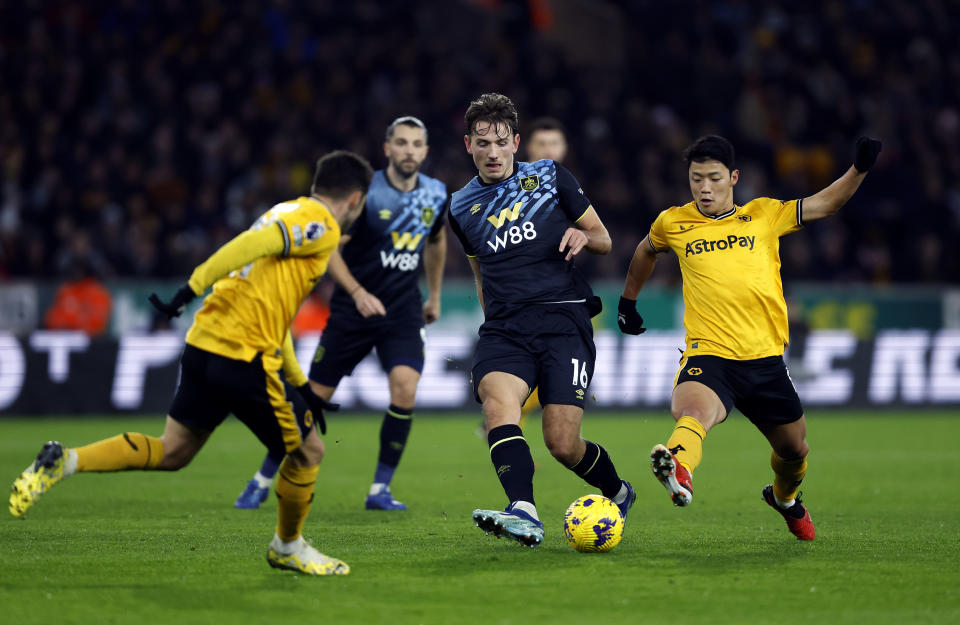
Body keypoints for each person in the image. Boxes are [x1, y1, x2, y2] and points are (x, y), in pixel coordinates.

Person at [8, 150, 375, 576]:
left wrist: (303, 386)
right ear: (355, 200)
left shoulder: (286, 209)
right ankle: (287, 546)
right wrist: (191, 287)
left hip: (206, 344)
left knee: (174, 450)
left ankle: (65, 461)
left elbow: (278, 315)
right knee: (307, 453)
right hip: (242, 355)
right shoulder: (320, 224)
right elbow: (249, 245)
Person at [618, 135, 882, 540]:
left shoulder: (765, 214)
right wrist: (628, 301)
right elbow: (644, 251)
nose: (704, 188)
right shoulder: (673, 222)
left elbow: (826, 203)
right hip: (710, 354)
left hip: (764, 360)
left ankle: (784, 499)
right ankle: (679, 469)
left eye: (713, 178)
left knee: (795, 450)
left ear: (733, 178)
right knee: (692, 411)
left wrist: (859, 169)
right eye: (696, 179)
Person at [447, 93, 635, 547]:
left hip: (563, 320)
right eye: (481, 143)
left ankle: (619, 492)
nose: (492, 152)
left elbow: (604, 239)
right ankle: (524, 511)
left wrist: (582, 235)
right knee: (497, 407)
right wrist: (490, 318)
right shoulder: (459, 207)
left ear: (515, 143)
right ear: (467, 145)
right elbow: (480, 272)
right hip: (506, 327)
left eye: (500, 142)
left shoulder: (550, 177)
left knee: (562, 443)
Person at [234, 116, 448, 512]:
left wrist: (433, 295)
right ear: (387, 149)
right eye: (400, 143)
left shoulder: (436, 194)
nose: (408, 151)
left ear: (425, 151)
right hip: (353, 311)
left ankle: (379, 490)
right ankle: (263, 477)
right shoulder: (366, 193)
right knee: (313, 399)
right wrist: (356, 290)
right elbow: (330, 246)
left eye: (416, 144)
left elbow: (436, 241)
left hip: (402, 310)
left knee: (405, 388)